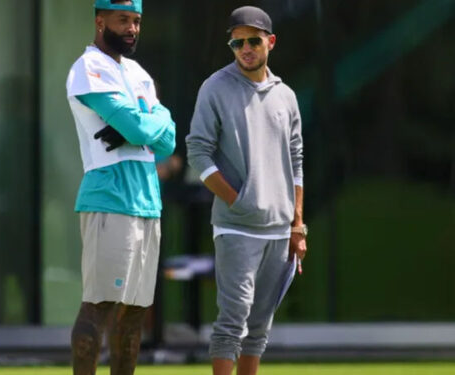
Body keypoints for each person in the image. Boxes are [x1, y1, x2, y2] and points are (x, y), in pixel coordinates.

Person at [185, 6, 308, 375]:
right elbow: (197, 151)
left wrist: (297, 225)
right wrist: (237, 201)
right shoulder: (215, 87)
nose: (245, 49)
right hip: (236, 227)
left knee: (259, 328)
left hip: (279, 228)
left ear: (270, 42)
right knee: (232, 321)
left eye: (253, 40)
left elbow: (296, 160)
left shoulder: (285, 95)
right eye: (237, 43)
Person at [65, 0, 176, 373]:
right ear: (100, 21)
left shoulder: (137, 72)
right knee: (99, 305)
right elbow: (143, 132)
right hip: (110, 196)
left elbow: (167, 141)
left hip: (147, 200)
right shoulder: (88, 68)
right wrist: (148, 121)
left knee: (135, 313)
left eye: (137, 21)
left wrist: (148, 120)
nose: (132, 28)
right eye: (123, 20)